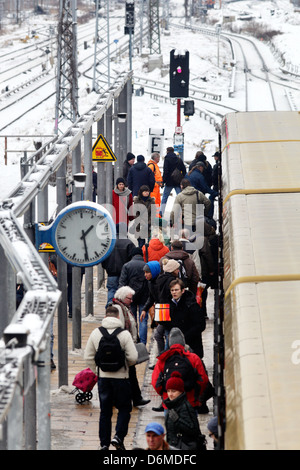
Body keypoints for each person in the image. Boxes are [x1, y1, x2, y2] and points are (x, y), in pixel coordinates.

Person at [84, 305, 138, 450]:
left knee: (105, 412)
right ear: (118, 317)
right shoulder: (124, 334)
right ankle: (118, 437)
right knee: (125, 408)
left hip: (104, 379)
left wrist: (98, 371)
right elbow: (133, 358)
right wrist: (124, 365)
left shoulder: (96, 333)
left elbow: (87, 356)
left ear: (105, 316)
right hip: (122, 379)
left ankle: (104, 444)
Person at [152, 327, 209, 412]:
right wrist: (196, 394)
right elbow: (203, 380)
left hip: (169, 403)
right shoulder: (194, 358)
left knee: (170, 424)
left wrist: (165, 394)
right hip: (190, 402)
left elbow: (155, 383)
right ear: (183, 342)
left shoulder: (163, 359)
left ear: (170, 342)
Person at [111, 286, 151, 407]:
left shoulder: (124, 307)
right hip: (124, 346)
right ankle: (134, 398)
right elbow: (120, 328)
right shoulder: (118, 309)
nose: (132, 300)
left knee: (130, 374)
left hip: (129, 344)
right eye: (130, 298)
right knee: (128, 374)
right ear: (123, 297)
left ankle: (135, 397)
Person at [164, 371, 206, 451]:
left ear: (181, 392)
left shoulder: (185, 407)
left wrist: (177, 420)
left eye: (173, 391)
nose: (170, 394)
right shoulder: (172, 405)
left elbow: (193, 429)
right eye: (168, 391)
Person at [118, 247, 149, 344]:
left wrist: (121, 297)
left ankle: (133, 342)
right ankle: (143, 344)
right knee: (143, 320)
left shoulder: (127, 266)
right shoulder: (146, 265)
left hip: (130, 297)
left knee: (132, 320)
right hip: (144, 296)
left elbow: (122, 282)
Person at [101, 223, 135, 306]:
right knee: (124, 294)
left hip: (111, 273)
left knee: (111, 291)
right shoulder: (129, 243)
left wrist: (106, 267)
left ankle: (110, 308)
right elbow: (132, 259)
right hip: (124, 274)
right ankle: (121, 310)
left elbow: (103, 258)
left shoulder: (108, 242)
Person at [160, 147, 186, 214]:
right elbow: (184, 170)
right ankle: (182, 213)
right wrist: (182, 179)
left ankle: (161, 213)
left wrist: (163, 181)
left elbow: (165, 171)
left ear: (167, 151)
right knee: (180, 197)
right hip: (178, 181)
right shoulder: (179, 159)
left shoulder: (167, 159)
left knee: (165, 197)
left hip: (169, 182)